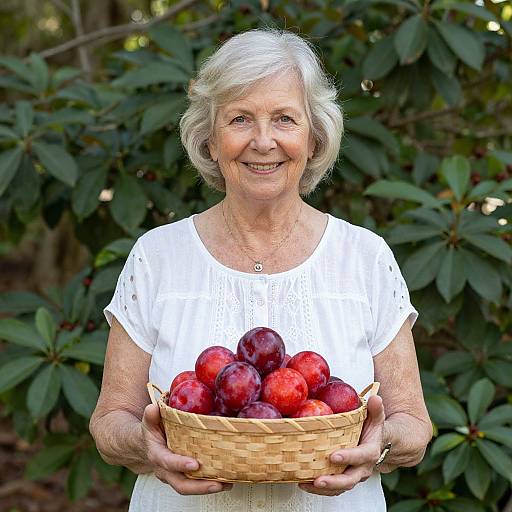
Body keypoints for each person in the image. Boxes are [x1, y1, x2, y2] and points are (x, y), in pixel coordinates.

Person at [89, 28, 432, 512]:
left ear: (314, 138)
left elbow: (413, 422)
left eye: (285, 119)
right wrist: (146, 446)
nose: (263, 141)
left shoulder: (365, 258)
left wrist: (381, 446)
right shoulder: (157, 256)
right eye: (240, 119)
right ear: (210, 138)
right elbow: (111, 421)